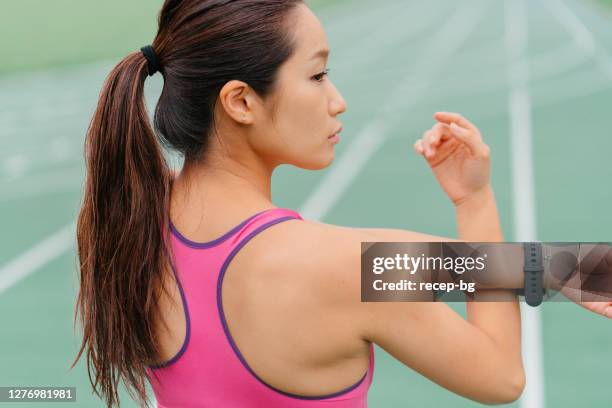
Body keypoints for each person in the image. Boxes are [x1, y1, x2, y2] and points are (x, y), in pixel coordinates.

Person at [72, 1, 612, 407]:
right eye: (317, 75)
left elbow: (469, 266)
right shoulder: (344, 267)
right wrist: (473, 199)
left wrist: (560, 266)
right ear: (240, 101)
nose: (338, 100)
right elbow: (500, 376)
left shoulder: (127, 218)